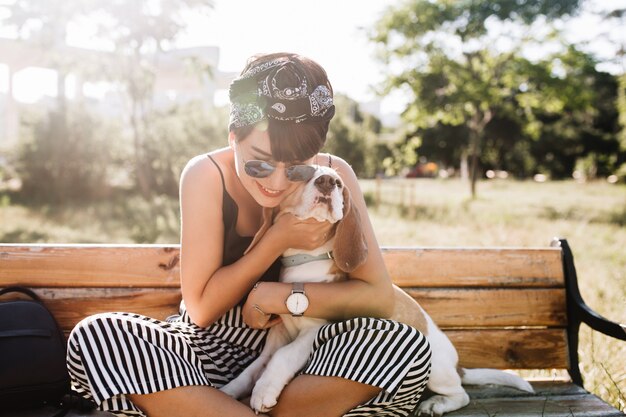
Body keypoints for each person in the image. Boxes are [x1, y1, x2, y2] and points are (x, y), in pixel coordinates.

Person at [66, 52, 431, 417]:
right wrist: (278, 238)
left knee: (405, 347)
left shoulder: (333, 176)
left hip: (311, 354)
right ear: (233, 138)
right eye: (259, 163)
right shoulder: (206, 175)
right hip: (207, 355)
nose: (274, 183)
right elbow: (202, 311)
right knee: (97, 337)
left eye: (296, 168)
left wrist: (277, 297)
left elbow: (378, 298)